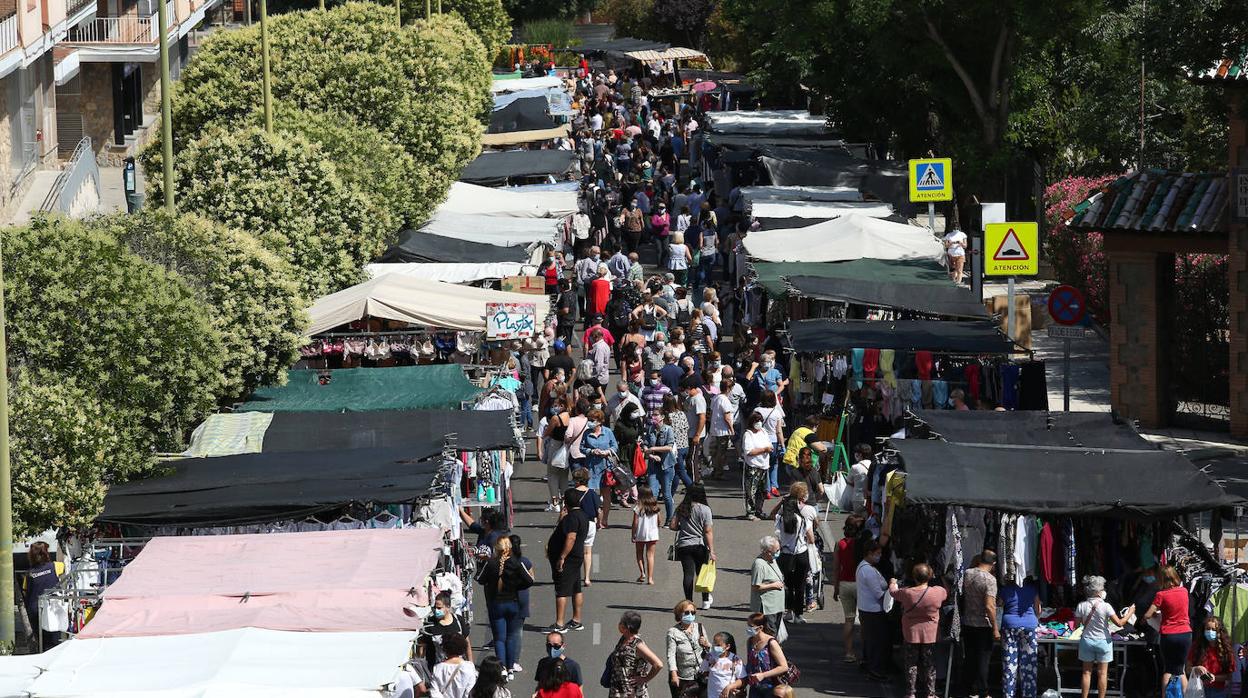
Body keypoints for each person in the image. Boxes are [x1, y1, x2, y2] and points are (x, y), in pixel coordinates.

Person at [476, 538, 534, 680]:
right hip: (513, 603)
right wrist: (516, 586)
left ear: (497, 549)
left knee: (499, 638)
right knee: (511, 637)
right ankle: (510, 667)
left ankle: (501, 667)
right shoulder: (517, 563)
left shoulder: (490, 563)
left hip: (496, 605)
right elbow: (529, 580)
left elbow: (480, 579)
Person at [889, 563, 947, 698]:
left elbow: (893, 592)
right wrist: (942, 578)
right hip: (930, 634)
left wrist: (892, 582)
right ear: (930, 576)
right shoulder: (937, 592)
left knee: (911, 663)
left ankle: (911, 693)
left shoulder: (907, 593)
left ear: (914, 577)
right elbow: (946, 591)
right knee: (930, 664)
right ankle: (930, 693)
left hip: (911, 633)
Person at [1076, 575, 1135, 698]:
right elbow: (1120, 623)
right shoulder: (1106, 606)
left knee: (1086, 673)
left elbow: (1076, 625)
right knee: (1103, 674)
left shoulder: (1081, 605)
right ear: (1098, 591)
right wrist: (1130, 612)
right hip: (1103, 641)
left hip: (1086, 640)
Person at [546, 489, 590, 633]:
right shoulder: (583, 515)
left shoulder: (571, 518)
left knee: (562, 590)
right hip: (577, 556)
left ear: (566, 502)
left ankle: (559, 624)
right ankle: (576, 620)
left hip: (568, 558)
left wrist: (562, 557)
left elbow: (570, 538)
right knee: (576, 587)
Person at [772, 482, 816, 624]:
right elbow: (811, 538)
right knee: (800, 585)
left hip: (785, 555)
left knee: (788, 585)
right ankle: (798, 615)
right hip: (801, 554)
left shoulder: (781, 519)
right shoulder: (801, 519)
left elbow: (773, 520)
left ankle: (788, 611)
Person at [1145, 565, 1192, 696]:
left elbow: (1148, 615)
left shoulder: (1161, 595)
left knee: (1168, 669)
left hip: (1169, 634)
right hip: (1185, 633)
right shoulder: (1184, 591)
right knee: (1181, 670)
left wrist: (1156, 614)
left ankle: (1165, 695)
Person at [670, 484, 716, 609]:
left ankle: (689, 602)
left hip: (684, 545)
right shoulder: (705, 509)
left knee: (688, 574)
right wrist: (712, 550)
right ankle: (705, 600)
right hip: (700, 545)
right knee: (702, 573)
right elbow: (708, 531)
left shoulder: (682, 507)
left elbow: (673, 525)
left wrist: (683, 528)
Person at [728, 613, 791, 698]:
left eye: (751, 626)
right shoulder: (750, 641)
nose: (748, 629)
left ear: (760, 628)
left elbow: (784, 667)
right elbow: (751, 664)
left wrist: (763, 675)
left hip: (771, 686)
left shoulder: (771, 643)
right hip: (755, 686)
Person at [1000, 577, 1042, 698]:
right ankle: (1029, 694)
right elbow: (1038, 608)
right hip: (1029, 625)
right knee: (1029, 663)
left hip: (1009, 625)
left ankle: (1009, 694)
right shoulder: (1032, 589)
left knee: (1009, 663)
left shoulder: (1005, 589)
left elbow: (999, 605)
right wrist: (1035, 618)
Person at [607, 611, 664, 698]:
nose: (619, 624)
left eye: (621, 622)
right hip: (618, 690)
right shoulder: (623, 639)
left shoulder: (638, 645)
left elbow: (658, 664)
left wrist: (645, 679)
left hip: (632, 693)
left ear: (627, 627)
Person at [856, 539, 890, 681]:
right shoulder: (868, 571)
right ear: (869, 553)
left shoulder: (864, 567)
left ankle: (869, 665)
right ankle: (875, 670)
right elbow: (878, 593)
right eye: (877, 553)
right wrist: (891, 590)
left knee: (870, 640)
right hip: (873, 610)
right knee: (876, 641)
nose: (879, 556)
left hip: (867, 608)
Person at [832, 516, 865, 663]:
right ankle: (866, 652)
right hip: (860, 584)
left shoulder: (840, 544)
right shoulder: (862, 544)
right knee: (864, 620)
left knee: (849, 619)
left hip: (845, 583)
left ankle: (849, 652)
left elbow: (836, 567)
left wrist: (836, 587)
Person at [22, 542, 64, 651]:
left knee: (42, 642)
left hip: (35, 610)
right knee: (55, 641)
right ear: (46, 553)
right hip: (51, 609)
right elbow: (66, 567)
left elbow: (26, 592)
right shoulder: (56, 566)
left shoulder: (29, 574)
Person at [565, 467, 601, 590]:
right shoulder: (592, 493)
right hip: (590, 523)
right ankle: (586, 578)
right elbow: (599, 511)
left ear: (576, 480)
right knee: (587, 551)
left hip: (575, 522)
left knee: (573, 550)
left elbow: (565, 510)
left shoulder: (571, 493)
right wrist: (599, 523)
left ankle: (572, 576)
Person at [419, 591, 474, 670]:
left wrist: (470, 663)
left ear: (448, 607)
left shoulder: (458, 621)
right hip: (436, 669)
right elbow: (422, 648)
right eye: (434, 607)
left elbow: (467, 644)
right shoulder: (429, 624)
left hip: (458, 668)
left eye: (439, 608)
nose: (436, 610)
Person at [666, 599, 710, 697]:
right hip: (684, 677)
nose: (690, 615)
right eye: (686, 612)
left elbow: (709, 652)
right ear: (679, 614)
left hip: (701, 676)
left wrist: (707, 644)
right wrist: (674, 675)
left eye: (692, 612)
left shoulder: (700, 627)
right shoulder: (673, 632)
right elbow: (671, 655)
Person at [581, 409, 618, 523]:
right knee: (591, 493)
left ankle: (605, 519)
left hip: (605, 467)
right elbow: (582, 448)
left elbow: (614, 446)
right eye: (589, 420)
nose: (590, 422)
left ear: (600, 421)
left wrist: (607, 451)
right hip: (591, 467)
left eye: (593, 420)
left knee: (606, 493)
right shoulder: (587, 433)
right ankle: (593, 517)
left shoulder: (607, 432)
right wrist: (591, 451)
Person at [1188, 616, 1235, 698]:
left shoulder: (1226, 650)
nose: (1210, 631)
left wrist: (1214, 677)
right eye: (1208, 629)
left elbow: (1229, 676)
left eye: (1213, 629)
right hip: (1199, 688)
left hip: (1219, 691)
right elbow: (1188, 669)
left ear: (1219, 632)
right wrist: (1195, 668)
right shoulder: (1197, 647)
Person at [750, 535, 786, 635]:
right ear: (767, 551)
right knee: (770, 633)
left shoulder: (772, 560)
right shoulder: (759, 564)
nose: (778, 553)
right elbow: (756, 586)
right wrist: (774, 585)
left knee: (774, 633)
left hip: (777, 606)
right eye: (776, 551)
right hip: (768, 607)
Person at [752, 391, 785, 497]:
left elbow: (752, 426)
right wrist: (783, 445)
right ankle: (774, 486)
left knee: (763, 465)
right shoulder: (776, 413)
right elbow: (779, 431)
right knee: (774, 464)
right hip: (773, 441)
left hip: (760, 440)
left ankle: (766, 489)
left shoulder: (757, 411)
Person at [741, 412, 773, 520]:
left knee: (762, 490)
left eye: (760, 421)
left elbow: (769, 444)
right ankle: (750, 512)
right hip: (753, 466)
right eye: (757, 421)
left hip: (764, 465)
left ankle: (759, 510)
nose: (759, 423)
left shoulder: (763, 432)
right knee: (751, 491)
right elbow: (749, 451)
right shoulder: (748, 434)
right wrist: (764, 450)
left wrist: (769, 448)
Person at [429, 633, 477, 698]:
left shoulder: (438, 668)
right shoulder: (469, 667)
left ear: (444, 648)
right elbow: (470, 691)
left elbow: (434, 692)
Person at [700, 631, 746, 698]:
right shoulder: (709, 657)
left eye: (718, 645)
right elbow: (704, 672)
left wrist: (729, 687)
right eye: (714, 644)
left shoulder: (735, 660)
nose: (715, 647)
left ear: (727, 646)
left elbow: (742, 679)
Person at [663, 394, 693, 491]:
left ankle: (694, 490)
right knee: (675, 472)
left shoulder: (668, 417)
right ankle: (670, 494)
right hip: (685, 446)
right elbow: (687, 427)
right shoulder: (681, 413)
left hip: (676, 449)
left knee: (681, 472)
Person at [632, 485, 661, 584]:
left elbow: (635, 522)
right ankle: (650, 578)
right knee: (650, 555)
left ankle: (642, 573)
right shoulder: (655, 506)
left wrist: (633, 534)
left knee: (639, 553)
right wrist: (657, 526)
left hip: (641, 533)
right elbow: (659, 520)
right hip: (652, 533)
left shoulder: (638, 507)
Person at [708, 380, 736, 480]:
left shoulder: (715, 398)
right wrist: (732, 429)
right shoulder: (724, 400)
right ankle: (719, 473)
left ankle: (715, 471)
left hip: (715, 429)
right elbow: (727, 417)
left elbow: (711, 413)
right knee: (721, 453)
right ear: (728, 388)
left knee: (715, 452)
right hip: (723, 430)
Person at [682, 377, 707, 483]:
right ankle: (690, 481)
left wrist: (697, 435)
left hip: (695, 434)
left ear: (689, 388)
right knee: (688, 459)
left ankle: (694, 482)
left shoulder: (698, 399)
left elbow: (702, 418)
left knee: (691, 460)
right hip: (689, 433)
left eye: (684, 389)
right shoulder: (689, 399)